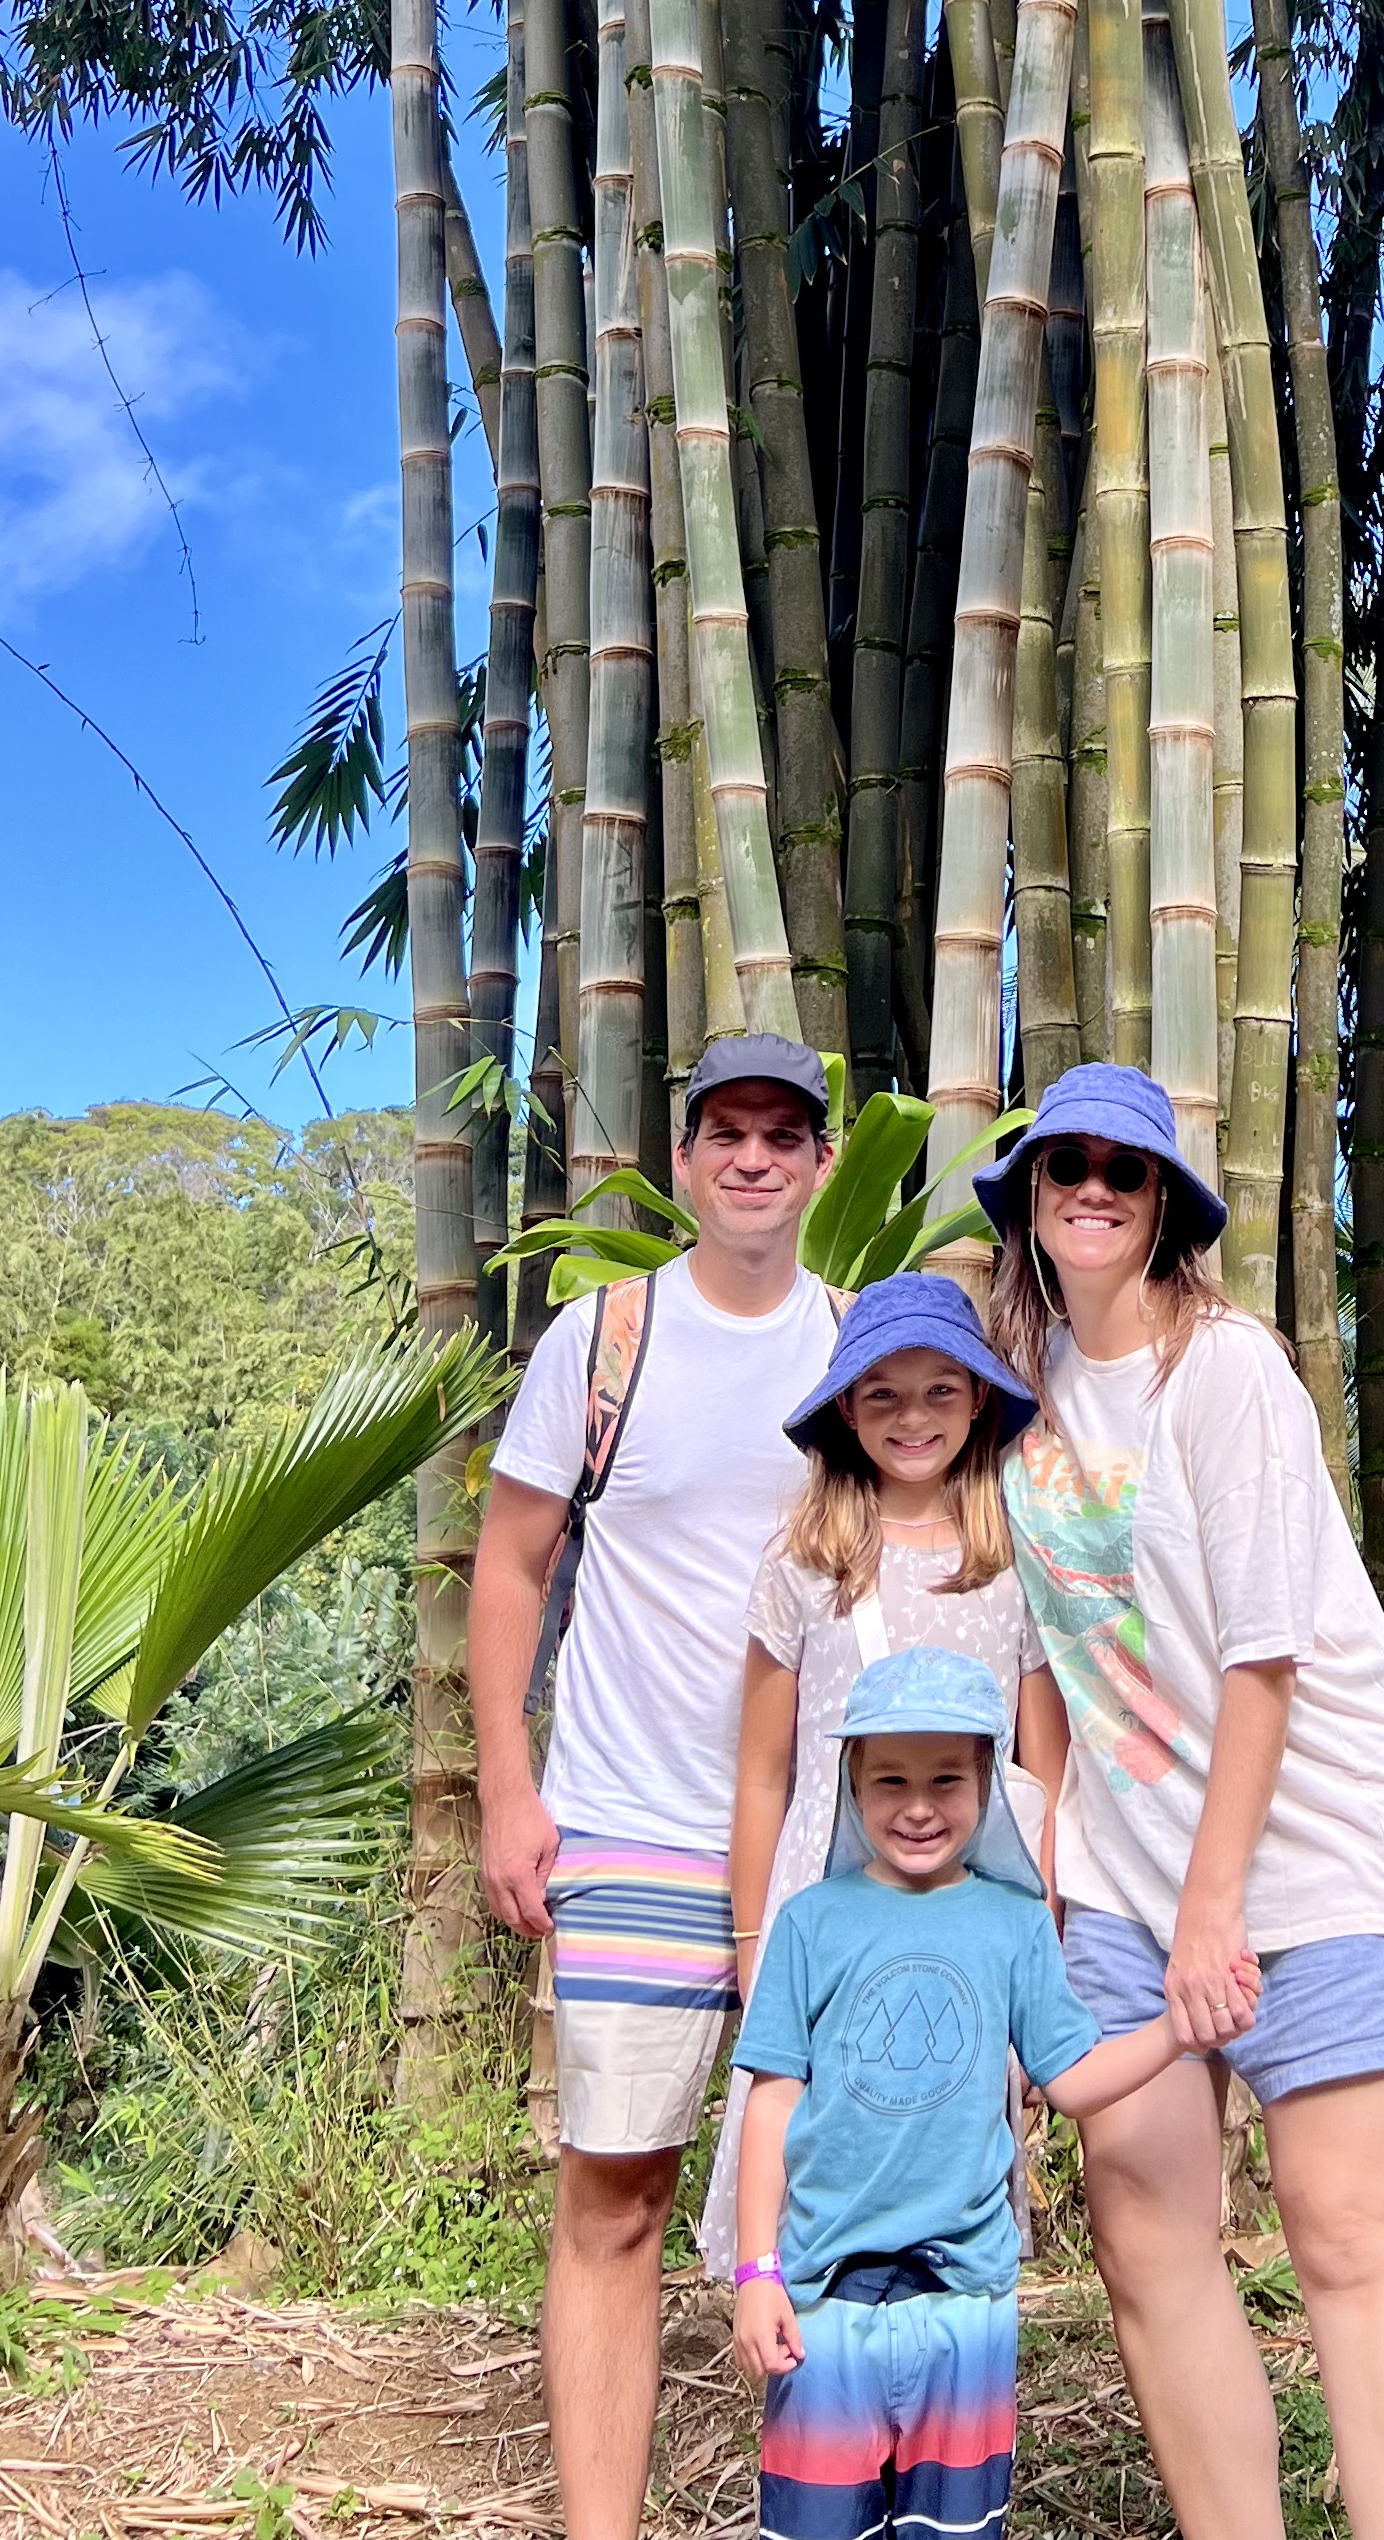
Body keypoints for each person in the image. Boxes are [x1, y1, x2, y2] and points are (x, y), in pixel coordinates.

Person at [981, 1062, 1384, 2540]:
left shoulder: (1228, 1370)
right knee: (1140, 2227)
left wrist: (1217, 1911)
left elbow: (1263, 1663)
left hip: (1313, 1855)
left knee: (1350, 2230)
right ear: (1029, 1195)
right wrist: (1045, 1858)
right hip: (1127, 1872)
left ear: (1161, 1207)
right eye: (1062, 1163)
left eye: (1120, 1172)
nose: (1088, 1188)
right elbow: (1057, 1645)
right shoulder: (1026, 1388)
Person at [469, 1030, 840, 2540]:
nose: (753, 1158)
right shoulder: (602, 1340)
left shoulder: (861, 1344)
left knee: (822, 2211)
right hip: (629, 1823)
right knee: (614, 2199)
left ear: (820, 1164)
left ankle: (819, 2512)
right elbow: (509, 1563)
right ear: (683, 1163)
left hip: (828, 1846)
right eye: (725, 1134)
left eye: (783, 1135)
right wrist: (508, 1785)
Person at [730, 1646, 1255, 2540]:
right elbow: (773, 2101)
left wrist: (1177, 2033)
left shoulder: (1014, 1924)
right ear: (853, 1784)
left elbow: (1076, 2079)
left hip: (965, 2301)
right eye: (891, 1780)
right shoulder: (809, 1923)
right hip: (824, 2302)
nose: (921, 1806)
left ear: (988, 1781)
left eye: (947, 1778)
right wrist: (755, 2273)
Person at [695, 1268, 1072, 2273]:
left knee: (941, 2173)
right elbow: (764, 1773)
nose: (914, 1418)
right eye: (884, 1395)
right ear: (845, 1411)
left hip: (969, 1922)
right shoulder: (806, 1560)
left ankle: (938, 2410)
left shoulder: (1012, 1560)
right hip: (821, 1906)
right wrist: (751, 1946)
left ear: (980, 1399)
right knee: (812, 2180)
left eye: (941, 1390)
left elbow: (1044, 1769)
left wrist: (1045, 1945)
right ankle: (819, 2407)